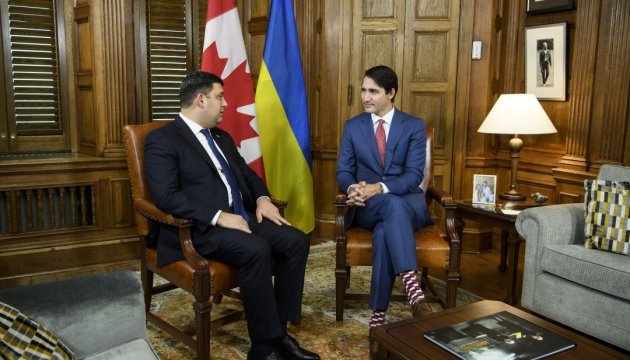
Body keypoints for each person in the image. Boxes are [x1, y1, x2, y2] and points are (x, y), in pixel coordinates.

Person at [144, 71, 319, 360]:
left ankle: (280, 333)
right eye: (220, 96)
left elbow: (247, 175)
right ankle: (263, 349)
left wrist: (263, 199)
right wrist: (218, 217)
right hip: (199, 228)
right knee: (257, 249)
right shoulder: (162, 140)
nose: (226, 103)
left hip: (241, 218)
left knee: (296, 240)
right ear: (201, 100)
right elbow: (166, 196)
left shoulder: (221, 137)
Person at [336, 65, 433, 327]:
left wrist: (378, 187)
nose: (365, 97)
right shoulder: (353, 127)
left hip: (407, 206)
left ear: (391, 93)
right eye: (363, 90)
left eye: (373, 92)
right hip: (366, 207)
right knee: (389, 208)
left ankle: (378, 315)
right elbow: (344, 171)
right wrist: (353, 190)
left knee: (384, 230)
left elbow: (414, 175)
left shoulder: (413, 126)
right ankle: (413, 289)